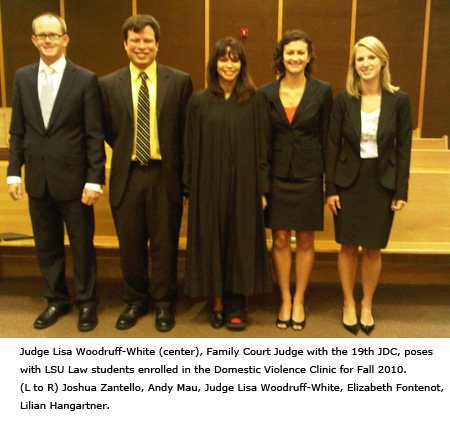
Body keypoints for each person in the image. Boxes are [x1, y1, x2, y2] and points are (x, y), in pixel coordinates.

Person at [7, 13, 106, 331]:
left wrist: (95, 178)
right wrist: (13, 172)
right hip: (37, 178)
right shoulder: (22, 77)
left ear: (65, 39)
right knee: (46, 244)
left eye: (53, 34)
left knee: (81, 245)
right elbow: (18, 130)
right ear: (34, 40)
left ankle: (87, 303)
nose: (48, 40)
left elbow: (94, 134)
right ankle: (56, 301)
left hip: (76, 181)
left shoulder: (85, 78)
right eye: (42, 35)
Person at [99, 15, 192, 332]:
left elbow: (184, 134)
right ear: (125, 44)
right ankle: (135, 300)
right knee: (131, 244)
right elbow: (110, 132)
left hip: (164, 174)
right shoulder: (108, 84)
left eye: (147, 40)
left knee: (165, 244)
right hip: (127, 175)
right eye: (135, 40)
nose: (141, 46)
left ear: (157, 44)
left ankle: (164, 303)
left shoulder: (179, 81)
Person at [182, 37, 272, 330]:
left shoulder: (255, 100)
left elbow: (263, 147)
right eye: (223, 59)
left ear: (242, 64)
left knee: (240, 242)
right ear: (214, 63)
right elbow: (190, 148)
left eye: (235, 59)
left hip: (245, 185)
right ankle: (217, 302)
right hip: (208, 184)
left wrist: (261, 188)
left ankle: (237, 303)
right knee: (213, 241)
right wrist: (188, 188)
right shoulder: (199, 101)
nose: (229, 65)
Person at [325, 36, 412, 335]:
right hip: (348, 181)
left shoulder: (399, 100)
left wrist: (401, 190)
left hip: (381, 181)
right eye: (360, 59)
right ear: (354, 65)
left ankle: (367, 305)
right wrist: (330, 189)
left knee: (373, 249)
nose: (365, 64)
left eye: (371, 58)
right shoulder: (343, 99)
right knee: (347, 246)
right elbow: (331, 147)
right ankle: (349, 303)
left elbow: (404, 149)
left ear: (382, 61)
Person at [260, 30, 332, 331]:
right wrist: (261, 186)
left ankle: (300, 299)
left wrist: (331, 185)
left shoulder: (323, 90)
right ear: (282, 56)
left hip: (309, 175)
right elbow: (262, 142)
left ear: (309, 56)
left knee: (304, 240)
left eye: (301, 52)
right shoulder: (266, 93)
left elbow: (329, 138)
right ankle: (285, 298)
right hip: (277, 176)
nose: (295, 58)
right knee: (278, 239)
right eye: (290, 52)